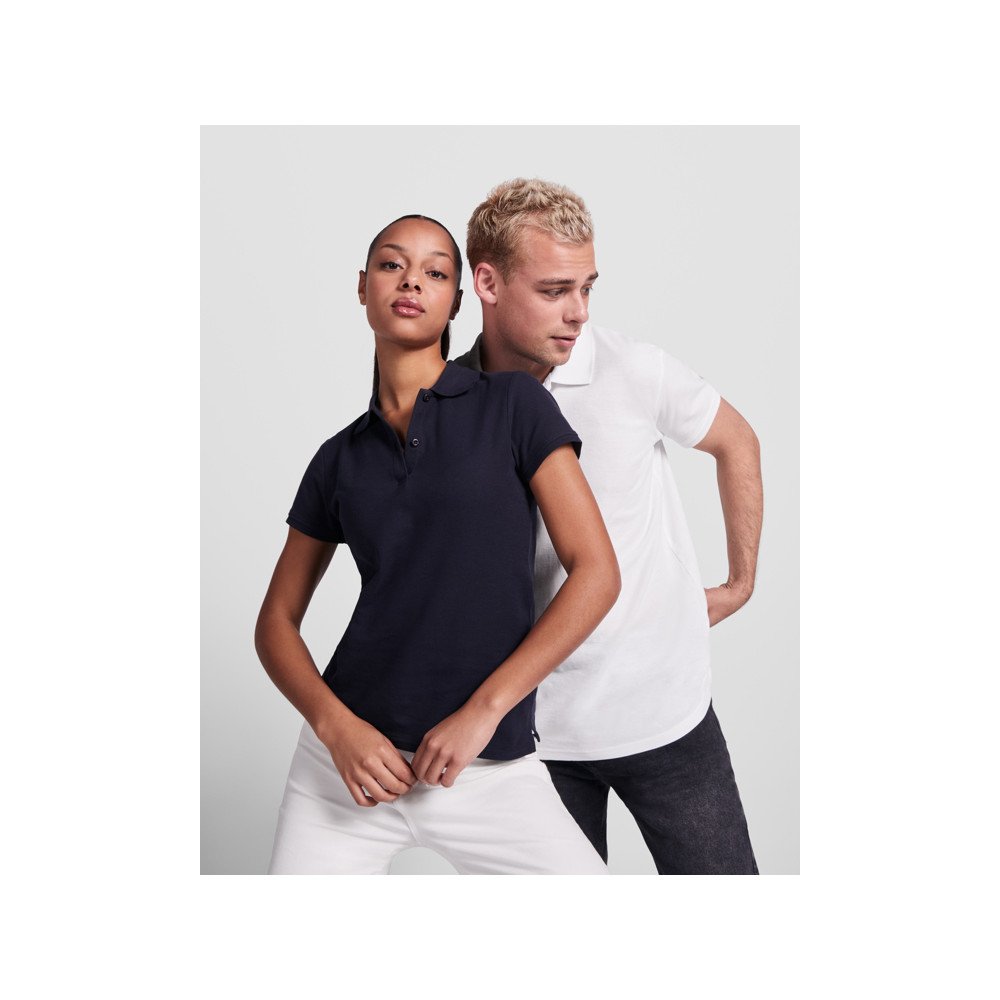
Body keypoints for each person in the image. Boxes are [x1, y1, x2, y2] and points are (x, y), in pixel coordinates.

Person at [255, 214, 619, 875]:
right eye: (392, 265)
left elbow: (596, 573)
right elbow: (275, 623)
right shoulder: (337, 459)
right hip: (346, 771)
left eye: (435, 272)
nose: (412, 281)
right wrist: (337, 730)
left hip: (487, 766)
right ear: (363, 287)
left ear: (457, 300)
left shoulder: (513, 405)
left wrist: (484, 711)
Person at [455, 179, 763, 874]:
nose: (578, 313)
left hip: (664, 715)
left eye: (587, 288)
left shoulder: (633, 370)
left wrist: (740, 582)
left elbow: (737, 441)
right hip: (531, 737)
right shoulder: (451, 400)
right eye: (555, 291)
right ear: (488, 283)